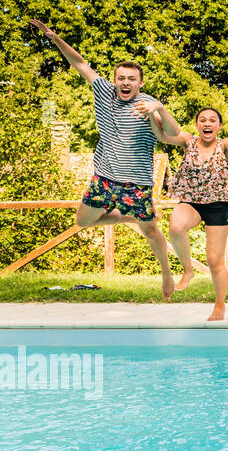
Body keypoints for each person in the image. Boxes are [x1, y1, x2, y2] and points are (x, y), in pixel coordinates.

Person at [28, 18, 175, 297]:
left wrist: (159, 109)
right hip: (105, 177)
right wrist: (54, 37)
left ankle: (167, 275)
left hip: (136, 182)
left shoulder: (146, 104)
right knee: (82, 221)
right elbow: (80, 63)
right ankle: (126, 218)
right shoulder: (104, 91)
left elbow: (171, 134)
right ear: (115, 80)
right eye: (121, 78)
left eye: (132, 79)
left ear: (140, 83)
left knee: (152, 232)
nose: (125, 82)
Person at [152, 102, 228, 321]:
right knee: (176, 226)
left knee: (214, 261)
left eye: (212, 121)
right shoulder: (187, 141)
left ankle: (220, 306)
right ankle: (188, 269)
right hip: (191, 202)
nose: (207, 124)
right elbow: (161, 135)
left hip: (217, 206)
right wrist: (152, 112)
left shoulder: (224, 144)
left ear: (218, 126)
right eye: (203, 120)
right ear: (197, 125)